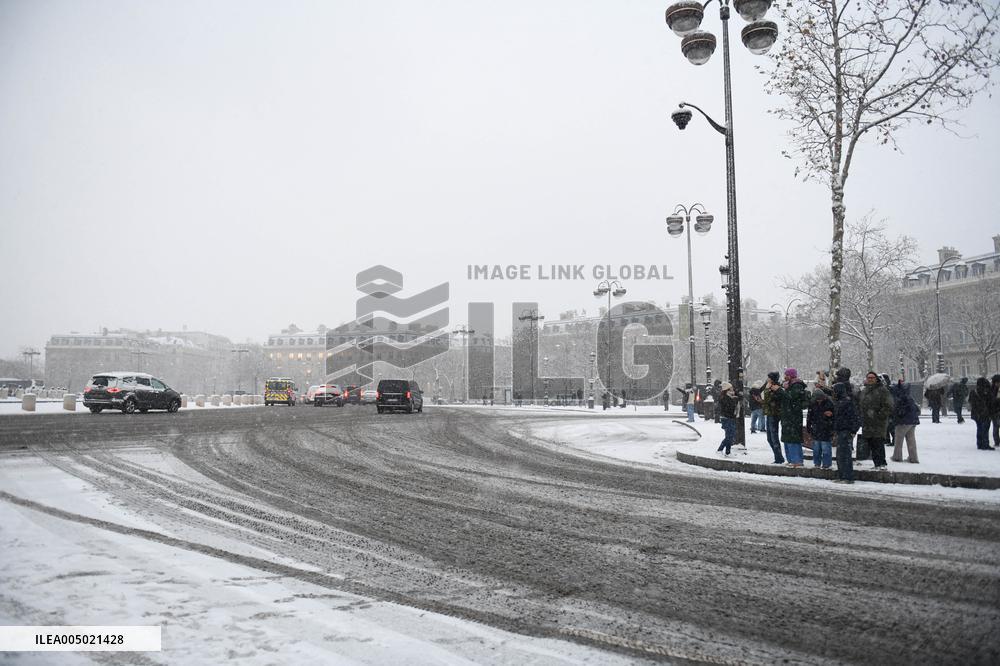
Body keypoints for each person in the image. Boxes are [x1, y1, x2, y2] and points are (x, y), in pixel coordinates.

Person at [859, 371, 894, 470]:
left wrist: (879, 415)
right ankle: (876, 464)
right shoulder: (864, 390)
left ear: (876, 379)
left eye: (872, 378)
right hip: (867, 422)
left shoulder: (882, 390)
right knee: (871, 443)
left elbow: (889, 405)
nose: (870, 379)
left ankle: (881, 464)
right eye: (868, 378)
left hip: (878, 423)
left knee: (878, 443)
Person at [776, 368, 811, 467]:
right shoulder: (788, 386)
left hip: (793, 417)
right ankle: (791, 459)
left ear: (790, 376)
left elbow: (791, 398)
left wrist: (780, 390)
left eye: (786, 375)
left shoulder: (797, 386)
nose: (784, 376)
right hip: (787, 417)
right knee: (787, 439)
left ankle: (797, 460)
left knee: (793, 439)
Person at [832, 381, 861, 483]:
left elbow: (855, 418)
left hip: (845, 430)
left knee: (845, 455)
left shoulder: (846, 402)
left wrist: (853, 430)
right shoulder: (841, 401)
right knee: (840, 454)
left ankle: (847, 477)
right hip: (841, 430)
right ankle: (842, 475)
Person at [890, 381, 921, 463]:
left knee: (898, 440)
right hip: (913, 420)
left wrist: (894, 416)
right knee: (911, 440)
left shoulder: (899, 398)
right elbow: (917, 409)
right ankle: (913, 458)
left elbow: (897, 410)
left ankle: (897, 457)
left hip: (903, 422)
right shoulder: (909, 397)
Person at [806, 388, 835, 469]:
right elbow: (809, 416)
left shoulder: (830, 403)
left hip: (826, 429)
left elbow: (835, 417)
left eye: (820, 399)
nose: (818, 401)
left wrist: (831, 416)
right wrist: (809, 426)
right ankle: (817, 463)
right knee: (816, 449)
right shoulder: (813, 403)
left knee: (826, 449)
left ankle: (826, 464)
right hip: (816, 428)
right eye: (817, 400)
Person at [762, 371, 784, 464]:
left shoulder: (776, 388)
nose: (767, 379)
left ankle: (778, 458)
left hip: (774, 414)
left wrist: (767, 390)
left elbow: (769, 399)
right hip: (769, 413)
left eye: (769, 378)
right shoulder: (768, 386)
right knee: (769, 438)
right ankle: (778, 456)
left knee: (773, 438)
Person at [969, 377, 996, 450]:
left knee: (979, 428)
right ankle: (985, 444)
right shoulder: (987, 391)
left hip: (976, 413)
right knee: (985, 429)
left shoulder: (973, 391)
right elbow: (991, 402)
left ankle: (979, 443)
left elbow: (971, 402)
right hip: (985, 413)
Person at [716, 382, 738, 456]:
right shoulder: (725, 398)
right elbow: (729, 408)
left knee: (730, 436)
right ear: (727, 390)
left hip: (729, 418)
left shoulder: (728, 397)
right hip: (727, 418)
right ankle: (721, 449)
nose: (732, 389)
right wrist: (734, 400)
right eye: (731, 388)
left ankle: (727, 452)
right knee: (730, 436)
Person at [991, 374, 1000, 449]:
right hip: (995, 411)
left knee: (996, 426)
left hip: (996, 410)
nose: (998, 384)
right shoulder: (992, 389)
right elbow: (991, 400)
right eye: (996, 382)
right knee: (995, 427)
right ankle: (997, 441)